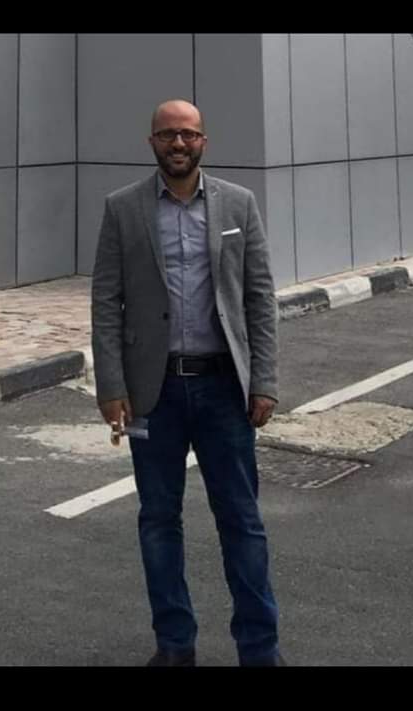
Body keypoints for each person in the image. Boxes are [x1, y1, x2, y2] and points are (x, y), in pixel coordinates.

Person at [91, 99, 284, 667]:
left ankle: (259, 649)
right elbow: (106, 301)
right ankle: (175, 646)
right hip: (153, 395)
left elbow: (259, 298)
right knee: (158, 521)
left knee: (242, 521)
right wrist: (110, 387)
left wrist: (264, 380)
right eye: (168, 134)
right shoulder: (122, 208)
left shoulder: (239, 204)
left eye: (188, 134)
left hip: (224, 389)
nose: (178, 143)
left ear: (204, 141)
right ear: (152, 141)